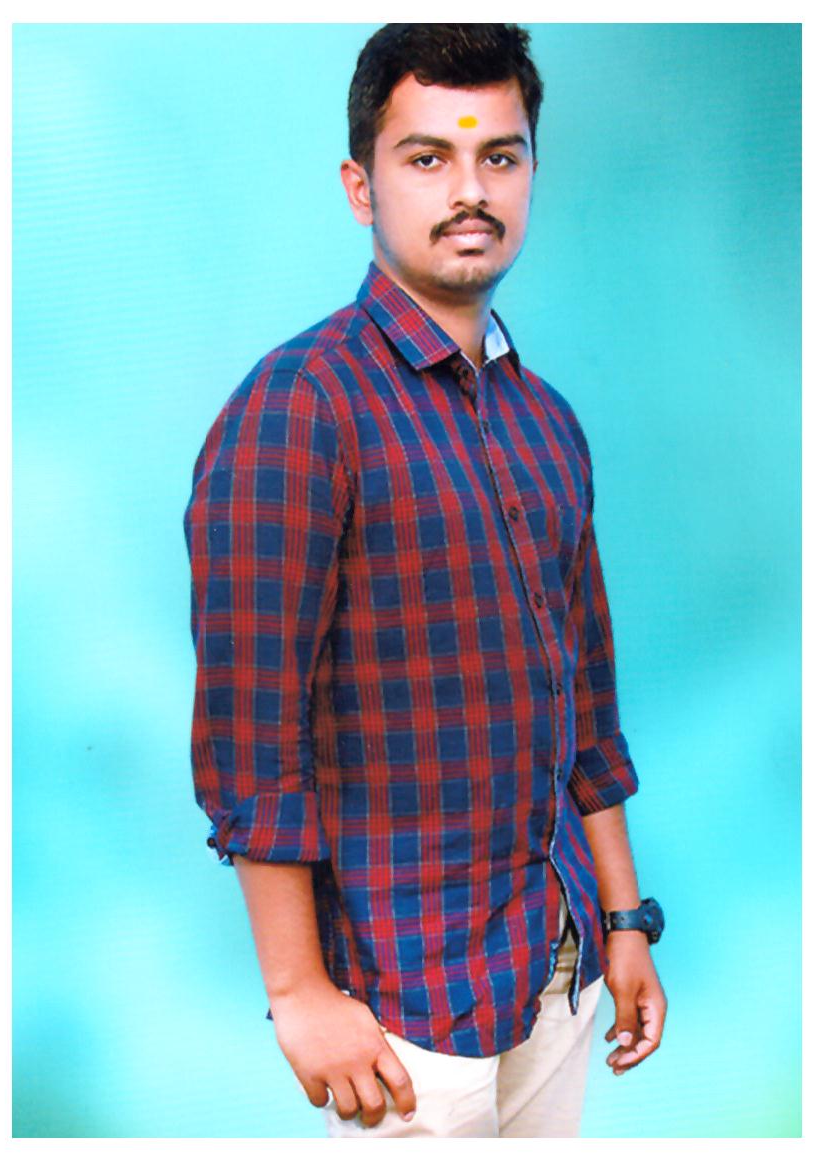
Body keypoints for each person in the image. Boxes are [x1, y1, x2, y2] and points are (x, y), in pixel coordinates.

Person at [183, 23, 667, 1139]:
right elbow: (251, 731)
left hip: (555, 960)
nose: (469, 190)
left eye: (499, 155)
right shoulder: (301, 408)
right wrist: (299, 993)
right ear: (361, 186)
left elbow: (587, 705)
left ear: (531, 173)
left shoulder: (546, 422)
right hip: (401, 1002)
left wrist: (622, 918)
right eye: (427, 157)